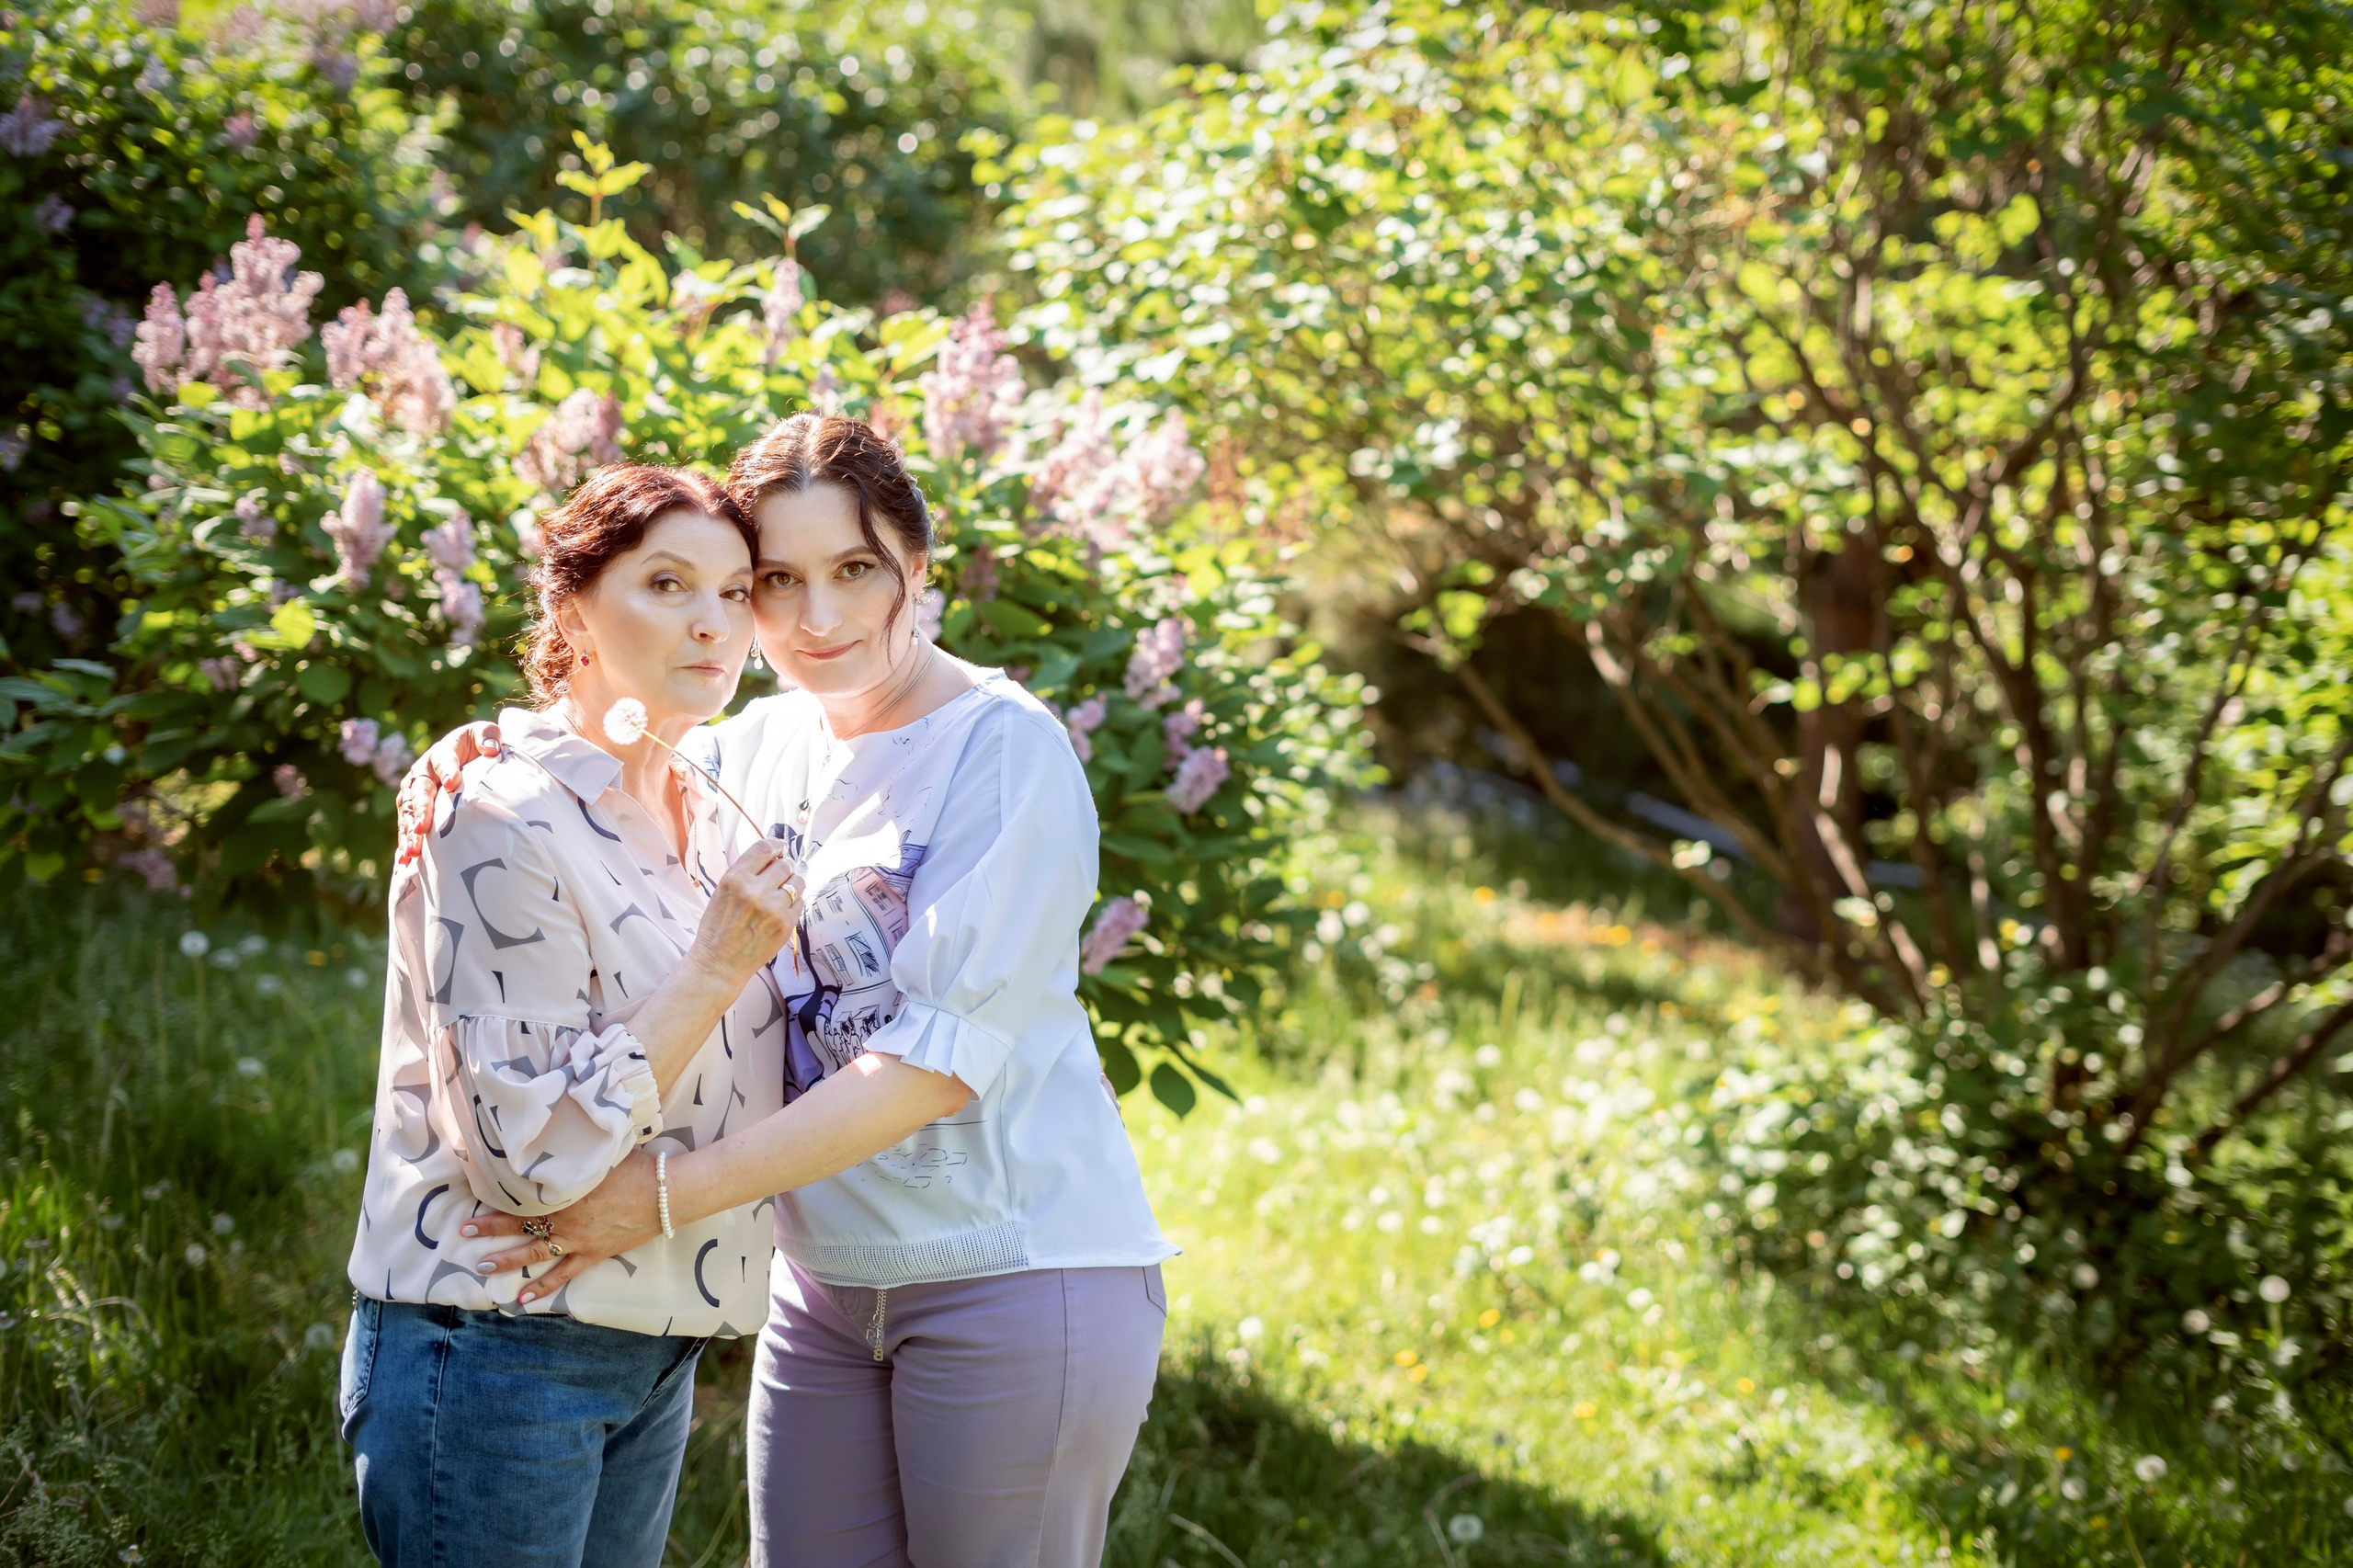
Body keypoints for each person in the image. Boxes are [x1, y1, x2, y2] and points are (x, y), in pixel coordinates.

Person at [405, 415, 1175, 1568]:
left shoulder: (1004, 750)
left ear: (917, 563)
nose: (818, 619)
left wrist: (659, 1196)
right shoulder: (757, 743)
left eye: (855, 570)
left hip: (1014, 1272)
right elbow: (601, 761)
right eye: (778, 581)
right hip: (821, 1291)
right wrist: (477, 757)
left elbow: (927, 1066)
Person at [343, 464, 805, 1568]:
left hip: (653, 1346)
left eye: (736, 591)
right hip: (503, 1343)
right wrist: (709, 971)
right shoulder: (497, 806)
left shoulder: (705, 801)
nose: (712, 622)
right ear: (570, 605)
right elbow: (526, 1159)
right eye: (665, 583)